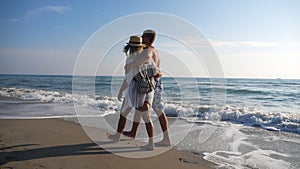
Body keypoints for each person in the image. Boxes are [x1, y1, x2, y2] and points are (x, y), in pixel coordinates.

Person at [108, 35, 159, 150]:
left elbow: (128, 78)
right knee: (146, 117)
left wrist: (121, 91)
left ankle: (117, 136)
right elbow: (156, 73)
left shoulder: (131, 59)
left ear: (130, 47)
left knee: (123, 113)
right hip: (148, 90)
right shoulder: (148, 58)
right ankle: (151, 143)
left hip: (135, 90)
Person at [123, 30, 171, 146]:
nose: (141, 38)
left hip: (149, 83)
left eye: (143, 36)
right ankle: (133, 132)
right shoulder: (156, 50)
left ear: (148, 38)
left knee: (155, 109)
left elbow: (146, 58)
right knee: (144, 108)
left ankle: (164, 140)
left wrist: (131, 65)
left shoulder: (148, 50)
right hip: (156, 81)